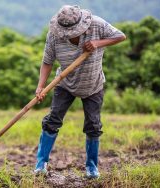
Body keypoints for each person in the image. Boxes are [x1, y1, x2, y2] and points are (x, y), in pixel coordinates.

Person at [34, 5, 126, 178]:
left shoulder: (97, 25)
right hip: (65, 83)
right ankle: (41, 164)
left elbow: (120, 36)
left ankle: (92, 167)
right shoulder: (54, 34)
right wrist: (41, 87)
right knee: (52, 120)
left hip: (93, 84)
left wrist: (98, 43)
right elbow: (47, 61)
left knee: (93, 125)